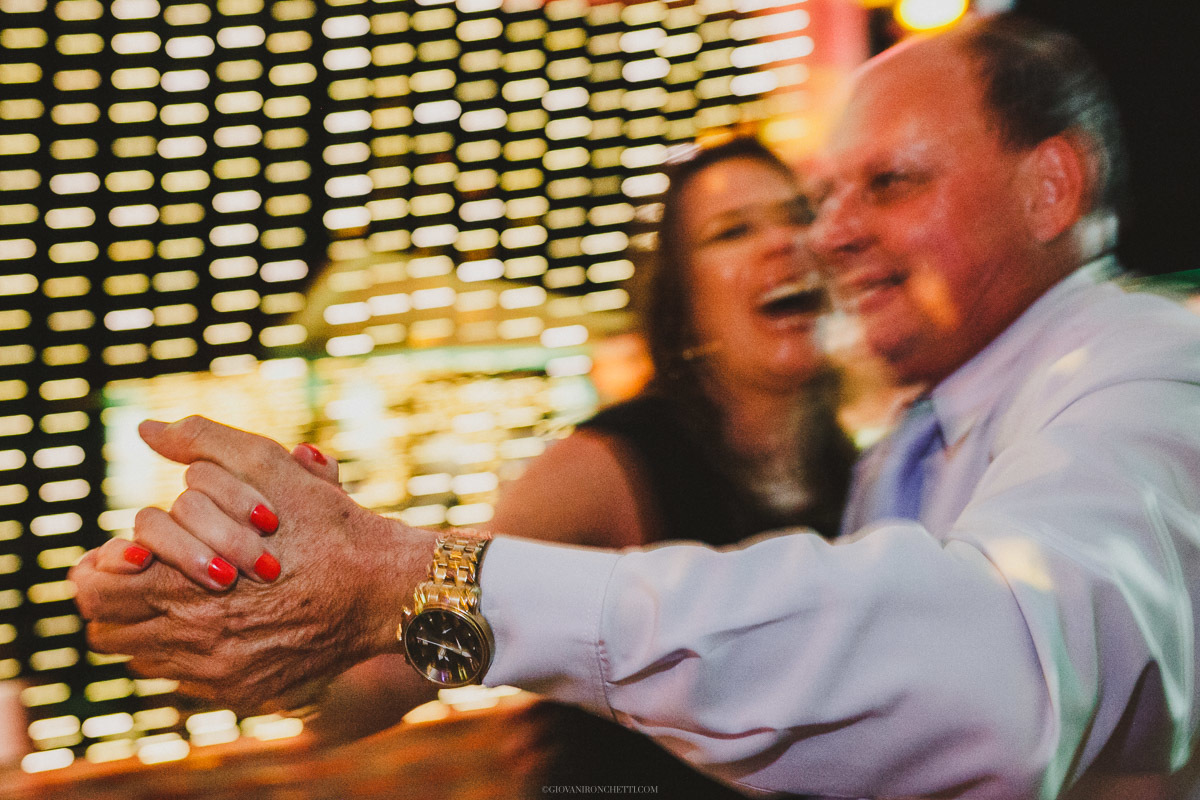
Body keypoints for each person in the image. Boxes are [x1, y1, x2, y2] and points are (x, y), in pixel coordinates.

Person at [70, 13, 1200, 799]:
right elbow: (394, 665)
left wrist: (396, 575)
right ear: (683, 299)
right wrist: (283, 609)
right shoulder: (635, 459)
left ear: (1051, 187)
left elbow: (996, 669)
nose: (822, 237)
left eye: (886, 184)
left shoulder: (1140, 375)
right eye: (749, 226)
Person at [487, 135, 854, 548]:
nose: (783, 241)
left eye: (799, 216)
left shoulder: (851, 465)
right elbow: (455, 576)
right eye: (733, 231)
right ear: (683, 301)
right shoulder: (612, 461)